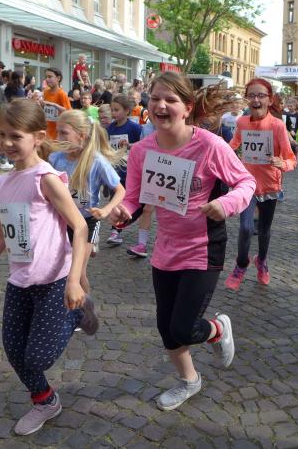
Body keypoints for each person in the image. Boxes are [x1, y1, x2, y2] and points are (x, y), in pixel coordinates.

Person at [107, 71, 255, 411]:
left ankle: (217, 329)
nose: (161, 105)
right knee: (167, 329)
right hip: (166, 249)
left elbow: (245, 183)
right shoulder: (142, 151)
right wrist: (123, 213)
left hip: (203, 247)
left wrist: (225, 204)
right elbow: (134, 198)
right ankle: (189, 380)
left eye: (170, 100)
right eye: (155, 98)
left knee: (184, 328)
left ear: (187, 108)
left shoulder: (209, 145)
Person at [0, 99, 98, 436]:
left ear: (38, 137)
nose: (6, 142)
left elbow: (80, 226)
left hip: (54, 280)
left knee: (37, 358)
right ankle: (46, 401)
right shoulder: (1, 183)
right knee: (14, 350)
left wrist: (75, 281)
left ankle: (77, 314)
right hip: (20, 281)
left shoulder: (45, 178)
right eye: (2, 134)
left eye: (15, 136)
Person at [225, 77, 296, 291]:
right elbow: (232, 145)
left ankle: (262, 261)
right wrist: (222, 152)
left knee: (264, 230)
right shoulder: (242, 122)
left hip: (269, 185)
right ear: (247, 99)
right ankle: (241, 264)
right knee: (246, 228)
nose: (256, 100)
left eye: (261, 95)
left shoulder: (277, 126)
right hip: (247, 183)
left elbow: (291, 159)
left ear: (269, 100)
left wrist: (282, 163)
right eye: (252, 95)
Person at [49, 110, 126, 289]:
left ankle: (85, 305)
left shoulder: (97, 161)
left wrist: (106, 210)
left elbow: (120, 190)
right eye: (57, 132)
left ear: (81, 136)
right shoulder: (54, 158)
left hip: (87, 222)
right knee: (60, 268)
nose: (58, 137)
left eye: (64, 133)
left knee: (77, 272)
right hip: (61, 221)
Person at [104, 94, 143, 247]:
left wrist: (130, 146)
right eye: (112, 110)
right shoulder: (110, 128)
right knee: (114, 199)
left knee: (126, 200)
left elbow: (142, 146)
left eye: (117, 110)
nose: (113, 113)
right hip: (114, 171)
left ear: (127, 111)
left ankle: (118, 228)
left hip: (130, 171)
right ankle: (115, 230)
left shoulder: (135, 128)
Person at [42, 68, 71, 140]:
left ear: (58, 78)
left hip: (57, 133)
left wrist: (54, 105)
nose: (47, 79)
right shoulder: (46, 92)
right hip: (46, 131)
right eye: (46, 77)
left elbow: (69, 112)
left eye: (50, 77)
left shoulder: (62, 94)